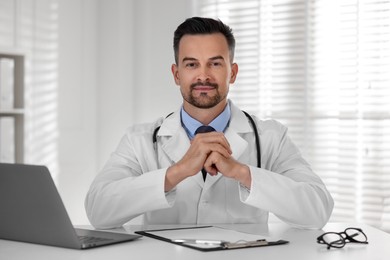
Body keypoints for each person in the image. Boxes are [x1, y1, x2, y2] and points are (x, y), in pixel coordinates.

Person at [85, 17, 334, 229]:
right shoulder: (140, 140)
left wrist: (241, 172)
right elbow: (98, 210)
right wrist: (177, 172)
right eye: (192, 64)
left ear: (232, 73)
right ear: (176, 74)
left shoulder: (270, 137)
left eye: (215, 64)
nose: (203, 75)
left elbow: (317, 211)